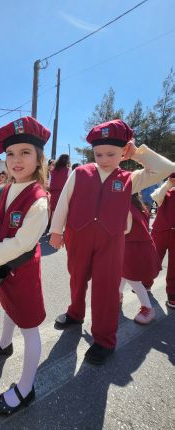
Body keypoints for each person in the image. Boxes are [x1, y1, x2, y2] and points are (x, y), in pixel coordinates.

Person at [49, 119, 175, 365]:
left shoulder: (130, 178)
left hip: (112, 242)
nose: (104, 158)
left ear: (123, 152)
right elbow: (64, 200)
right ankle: (75, 314)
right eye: (98, 154)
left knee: (106, 289)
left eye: (111, 153)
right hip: (78, 236)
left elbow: (165, 168)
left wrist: (138, 152)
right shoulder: (80, 172)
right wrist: (56, 230)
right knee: (77, 277)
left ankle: (104, 340)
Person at [0, 116, 50, 416]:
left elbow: (21, 244)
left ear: (39, 157)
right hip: (3, 270)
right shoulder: (3, 189)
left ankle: (26, 387)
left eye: (25, 152)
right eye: (10, 154)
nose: (16, 160)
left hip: (23, 272)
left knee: (29, 328)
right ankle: (4, 344)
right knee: (8, 307)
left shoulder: (39, 200)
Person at [119, 193, 161, 324]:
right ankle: (117, 295)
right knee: (123, 274)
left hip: (133, 248)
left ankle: (148, 308)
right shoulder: (139, 205)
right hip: (139, 246)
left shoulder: (126, 207)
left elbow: (125, 230)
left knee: (133, 280)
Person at [149, 174, 175, 308]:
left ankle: (172, 293)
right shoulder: (165, 192)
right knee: (153, 259)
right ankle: (146, 283)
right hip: (160, 231)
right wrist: (168, 184)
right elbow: (155, 197)